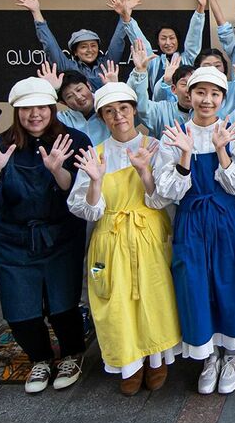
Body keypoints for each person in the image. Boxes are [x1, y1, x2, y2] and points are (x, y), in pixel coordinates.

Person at [0, 77, 91, 394]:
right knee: (20, 309)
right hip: (14, 238)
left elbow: (81, 191)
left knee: (63, 303)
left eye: (41, 107)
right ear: (16, 110)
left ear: (52, 109)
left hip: (61, 234)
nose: (34, 114)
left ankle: (72, 354)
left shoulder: (74, 139)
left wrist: (57, 170)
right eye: (26, 108)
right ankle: (39, 358)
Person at [67, 82, 181, 396]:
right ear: (102, 116)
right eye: (110, 111)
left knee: (153, 297)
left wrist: (145, 172)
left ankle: (156, 359)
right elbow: (86, 210)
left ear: (133, 110)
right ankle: (128, 364)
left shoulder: (155, 145)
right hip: (111, 238)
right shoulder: (96, 154)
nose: (118, 116)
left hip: (148, 235)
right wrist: (95, 181)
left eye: (124, 109)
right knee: (116, 302)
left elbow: (162, 200)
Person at [151, 67, 235, 395]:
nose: (207, 100)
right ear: (188, 95)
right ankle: (208, 356)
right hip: (192, 219)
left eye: (214, 94)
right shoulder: (174, 134)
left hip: (226, 217)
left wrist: (222, 150)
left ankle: (232, 354)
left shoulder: (233, 133)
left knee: (231, 282)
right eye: (200, 92)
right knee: (195, 285)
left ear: (223, 98)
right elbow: (167, 191)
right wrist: (185, 153)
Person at [13, 0, 130, 90]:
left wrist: (124, 16)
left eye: (93, 45)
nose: (90, 50)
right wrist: (36, 12)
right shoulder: (69, 68)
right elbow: (49, 45)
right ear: (75, 52)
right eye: (83, 46)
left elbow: (118, 40)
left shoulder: (107, 65)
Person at [126, 0, 213, 93]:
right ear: (157, 41)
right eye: (163, 38)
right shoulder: (154, 62)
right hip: (159, 108)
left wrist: (201, 8)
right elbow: (140, 42)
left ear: (178, 40)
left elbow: (194, 37)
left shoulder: (187, 59)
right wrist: (126, 18)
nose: (168, 42)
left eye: (172, 38)